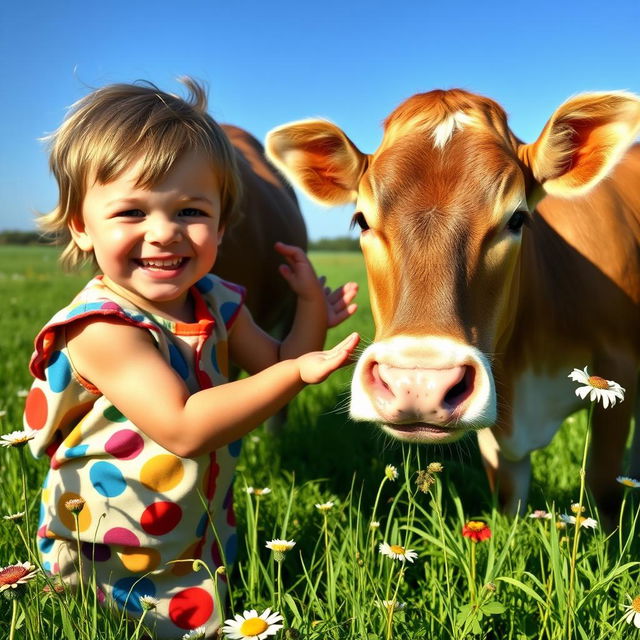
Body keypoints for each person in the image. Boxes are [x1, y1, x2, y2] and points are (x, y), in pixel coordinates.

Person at [23, 78, 359, 639]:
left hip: (194, 531)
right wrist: (296, 369)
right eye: (131, 212)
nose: (164, 233)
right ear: (82, 225)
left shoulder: (219, 301)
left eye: (191, 211)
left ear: (223, 224)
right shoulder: (102, 328)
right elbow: (183, 426)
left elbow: (277, 361)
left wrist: (309, 312)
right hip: (108, 548)